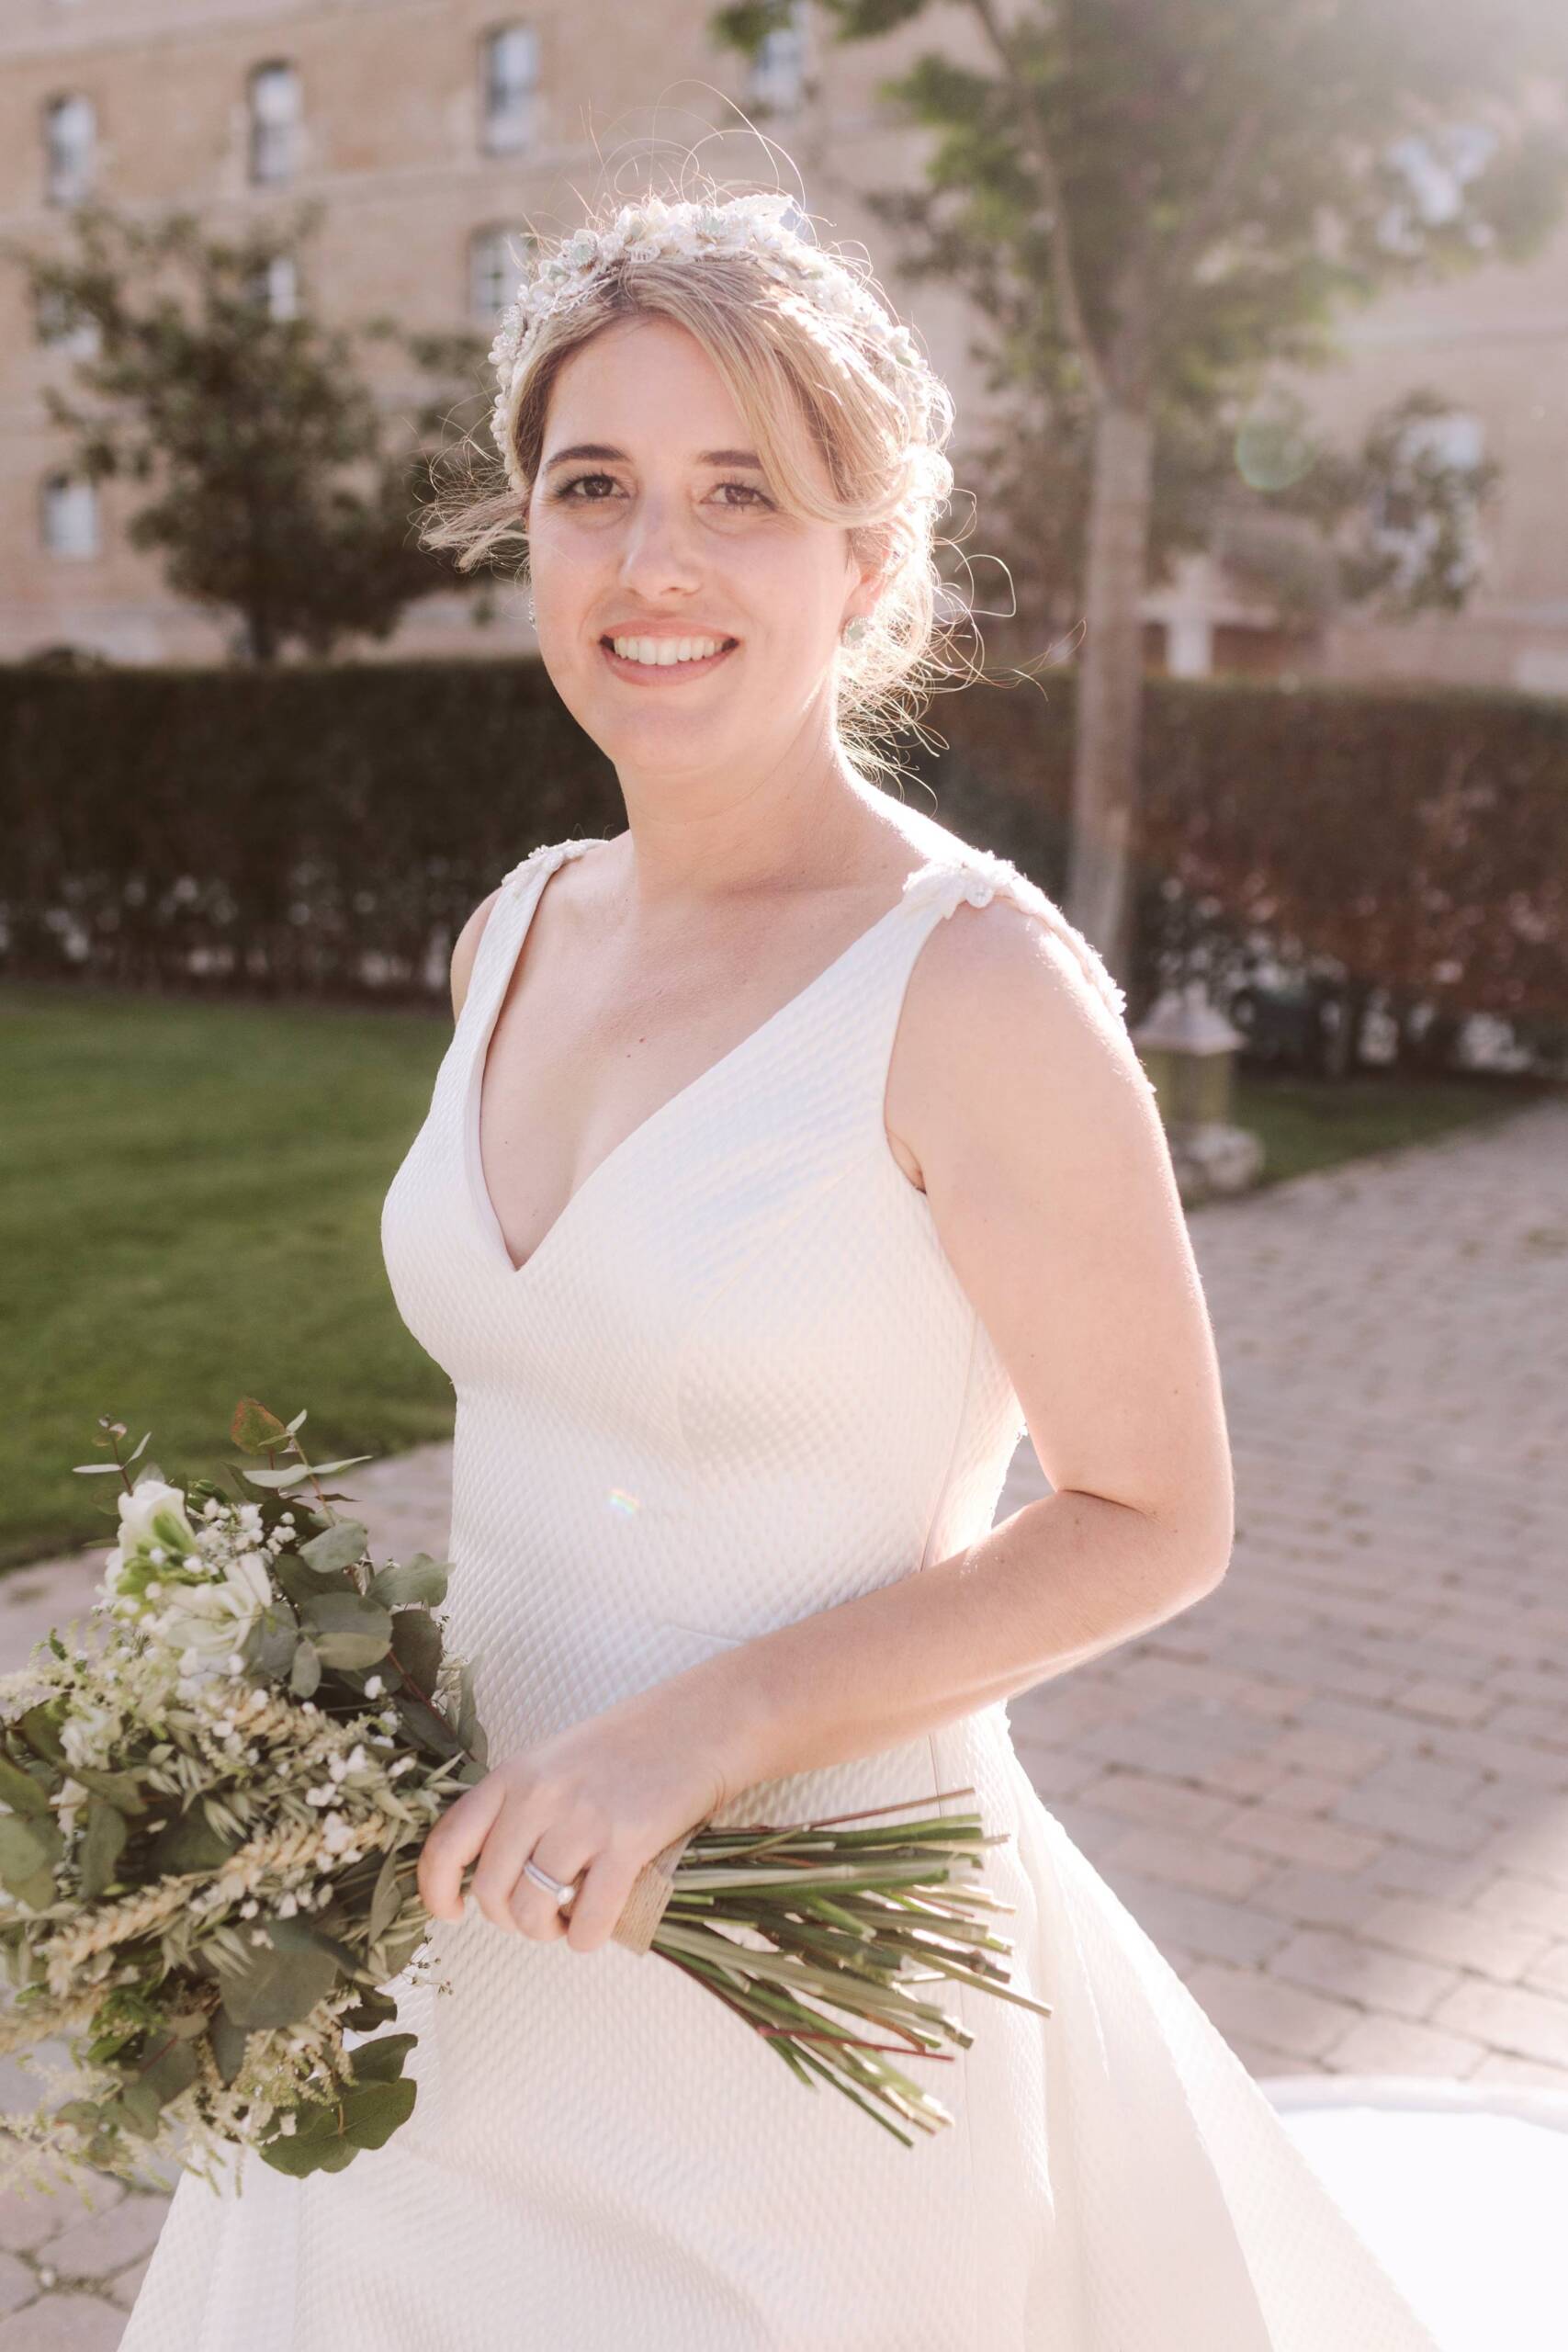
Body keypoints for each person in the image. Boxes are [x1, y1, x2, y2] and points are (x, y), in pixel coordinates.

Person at [120, 177, 1442, 2349]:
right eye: (595, 486)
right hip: (448, 1923)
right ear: (524, 533)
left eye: (741, 491)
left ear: (863, 561)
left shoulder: (974, 986)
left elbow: (1153, 1517)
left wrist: (692, 1736)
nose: (653, 560)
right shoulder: (515, 925)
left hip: (796, 1984)